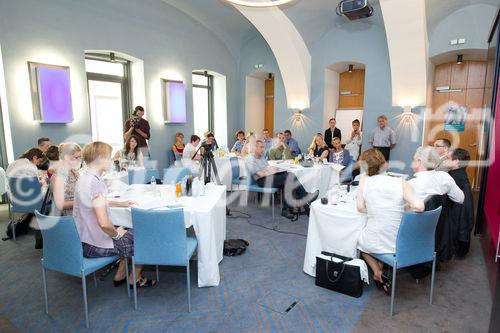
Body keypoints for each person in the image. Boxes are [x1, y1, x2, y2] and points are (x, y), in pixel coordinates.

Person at [73, 141, 156, 288]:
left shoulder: (84, 178)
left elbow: (95, 203)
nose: (112, 160)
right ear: (100, 159)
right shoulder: (96, 183)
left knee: (125, 229)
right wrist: (116, 235)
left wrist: (120, 204)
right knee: (145, 233)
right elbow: (104, 224)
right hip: (96, 245)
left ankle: (120, 274)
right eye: (109, 157)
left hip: (83, 239)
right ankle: (134, 278)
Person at [356, 148, 424, 293]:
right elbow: (419, 206)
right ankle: (381, 270)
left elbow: (360, 208)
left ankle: (377, 272)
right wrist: (401, 208)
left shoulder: (364, 181)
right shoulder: (400, 182)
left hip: (374, 239)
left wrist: (376, 208)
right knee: (380, 241)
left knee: (360, 244)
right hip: (398, 241)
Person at [246, 140, 319, 219]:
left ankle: (286, 210)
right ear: (255, 148)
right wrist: (271, 171)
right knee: (290, 176)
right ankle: (305, 198)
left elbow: (268, 167)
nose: (263, 149)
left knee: (287, 180)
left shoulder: (261, 157)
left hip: (269, 176)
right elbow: (261, 174)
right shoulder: (250, 159)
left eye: (263, 147)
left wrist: (276, 169)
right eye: (261, 147)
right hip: (262, 181)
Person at [448, 148, 474, 257]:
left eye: (448, 158)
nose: (445, 160)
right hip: (459, 225)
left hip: (452, 222)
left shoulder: (452, 179)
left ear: (457, 162)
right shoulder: (461, 175)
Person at [50, 143, 81, 216]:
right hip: (68, 217)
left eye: (80, 157)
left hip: (78, 211)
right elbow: (60, 204)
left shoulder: (74, 172)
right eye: (76, 157)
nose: (79, 160)